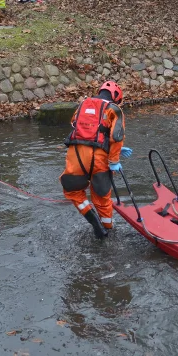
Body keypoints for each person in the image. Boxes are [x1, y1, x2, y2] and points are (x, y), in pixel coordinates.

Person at [59, 81, 131, 239]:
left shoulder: (82, 105)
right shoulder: (114, 109)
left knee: (73, 191)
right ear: (116, 97)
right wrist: (114, 161)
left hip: (75, 155)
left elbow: (76, 126)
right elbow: (117, 136)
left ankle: (94, 222)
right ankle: (108, 231)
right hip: (99, 159)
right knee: (102, 198)